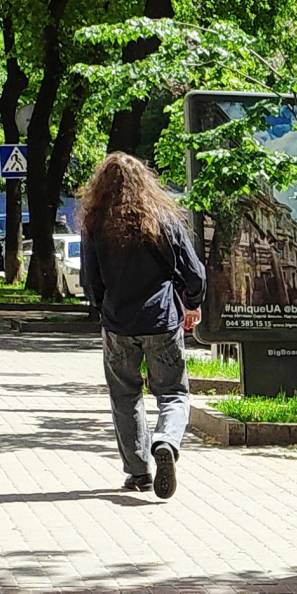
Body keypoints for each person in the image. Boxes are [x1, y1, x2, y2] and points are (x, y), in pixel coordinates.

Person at [77, 152, 205, 498]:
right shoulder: (163, 218)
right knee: (174, 393)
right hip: (161, 320)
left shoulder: (95, 224)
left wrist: (105, 306)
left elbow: (90, 283)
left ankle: (138, 473)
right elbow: (194, 273)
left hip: (118, 323)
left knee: (125, 396)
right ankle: (165, 441)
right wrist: (192, 303)